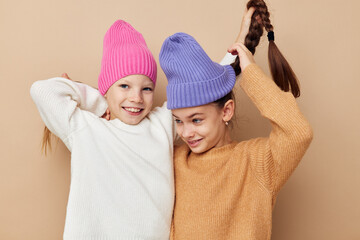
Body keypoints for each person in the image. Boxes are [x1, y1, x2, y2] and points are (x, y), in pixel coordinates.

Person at [159, 4, 313, 240]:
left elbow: (297, 132)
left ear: (226, 111)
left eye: (196, 120)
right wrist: (236, 51)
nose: (187, 132)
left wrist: (249, 69)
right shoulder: (174, 160)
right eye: (178, 121)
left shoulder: (257, 163)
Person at [30, 20, 175, 240]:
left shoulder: (162, 124)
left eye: (146, 88)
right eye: (124, 86)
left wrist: (244, 42)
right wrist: (99, 102)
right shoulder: (87, 128)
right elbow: (41, 90)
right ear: (106, 88)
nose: (136, 98)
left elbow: (207, 89)